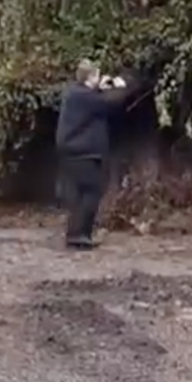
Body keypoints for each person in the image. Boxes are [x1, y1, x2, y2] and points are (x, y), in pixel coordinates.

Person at [53, 59, 132, 250]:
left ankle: (75, 235)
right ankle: (80, 235)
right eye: (97, 75)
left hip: (73, 150)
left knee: (80, 193)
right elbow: (109, 104)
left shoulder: (75, 93)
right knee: (92, 191)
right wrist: (120, 88)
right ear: (91, 77)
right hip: (83, 151)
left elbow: (95, 100)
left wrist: (101, 88)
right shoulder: (86, 97)